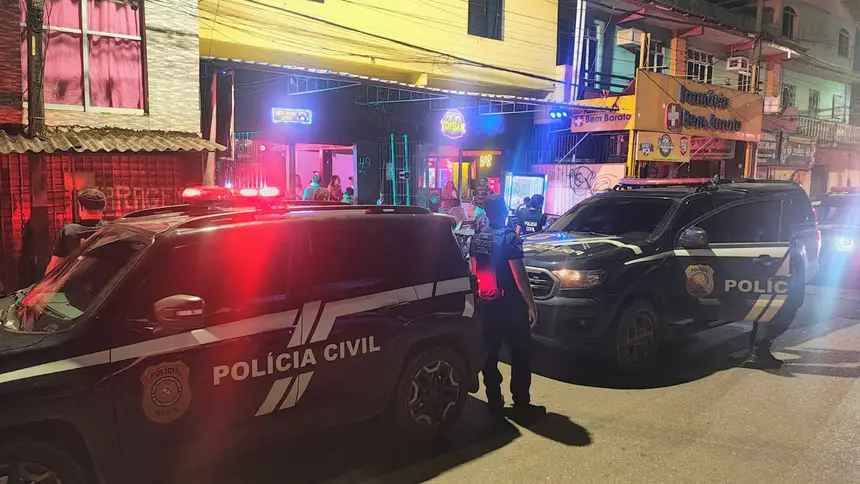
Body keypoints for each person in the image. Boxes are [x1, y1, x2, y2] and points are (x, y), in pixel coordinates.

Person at [469, 194, 544, 421]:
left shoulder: (477, 238)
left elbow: (474, 271)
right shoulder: (510, 238)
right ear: (503, 211)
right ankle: (521, 403)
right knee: (520, 354)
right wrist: (531, 304)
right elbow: (519, 275)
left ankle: (494, 400)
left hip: (486, 303)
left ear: (486, 212)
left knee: (490, 355)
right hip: (510, 306)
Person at [46, 188, 107, 274]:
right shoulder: (114, 230)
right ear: (104, 207)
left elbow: (54, 267)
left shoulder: (68, 231)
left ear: (81, 207)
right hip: (109, 281)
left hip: (76, 281)